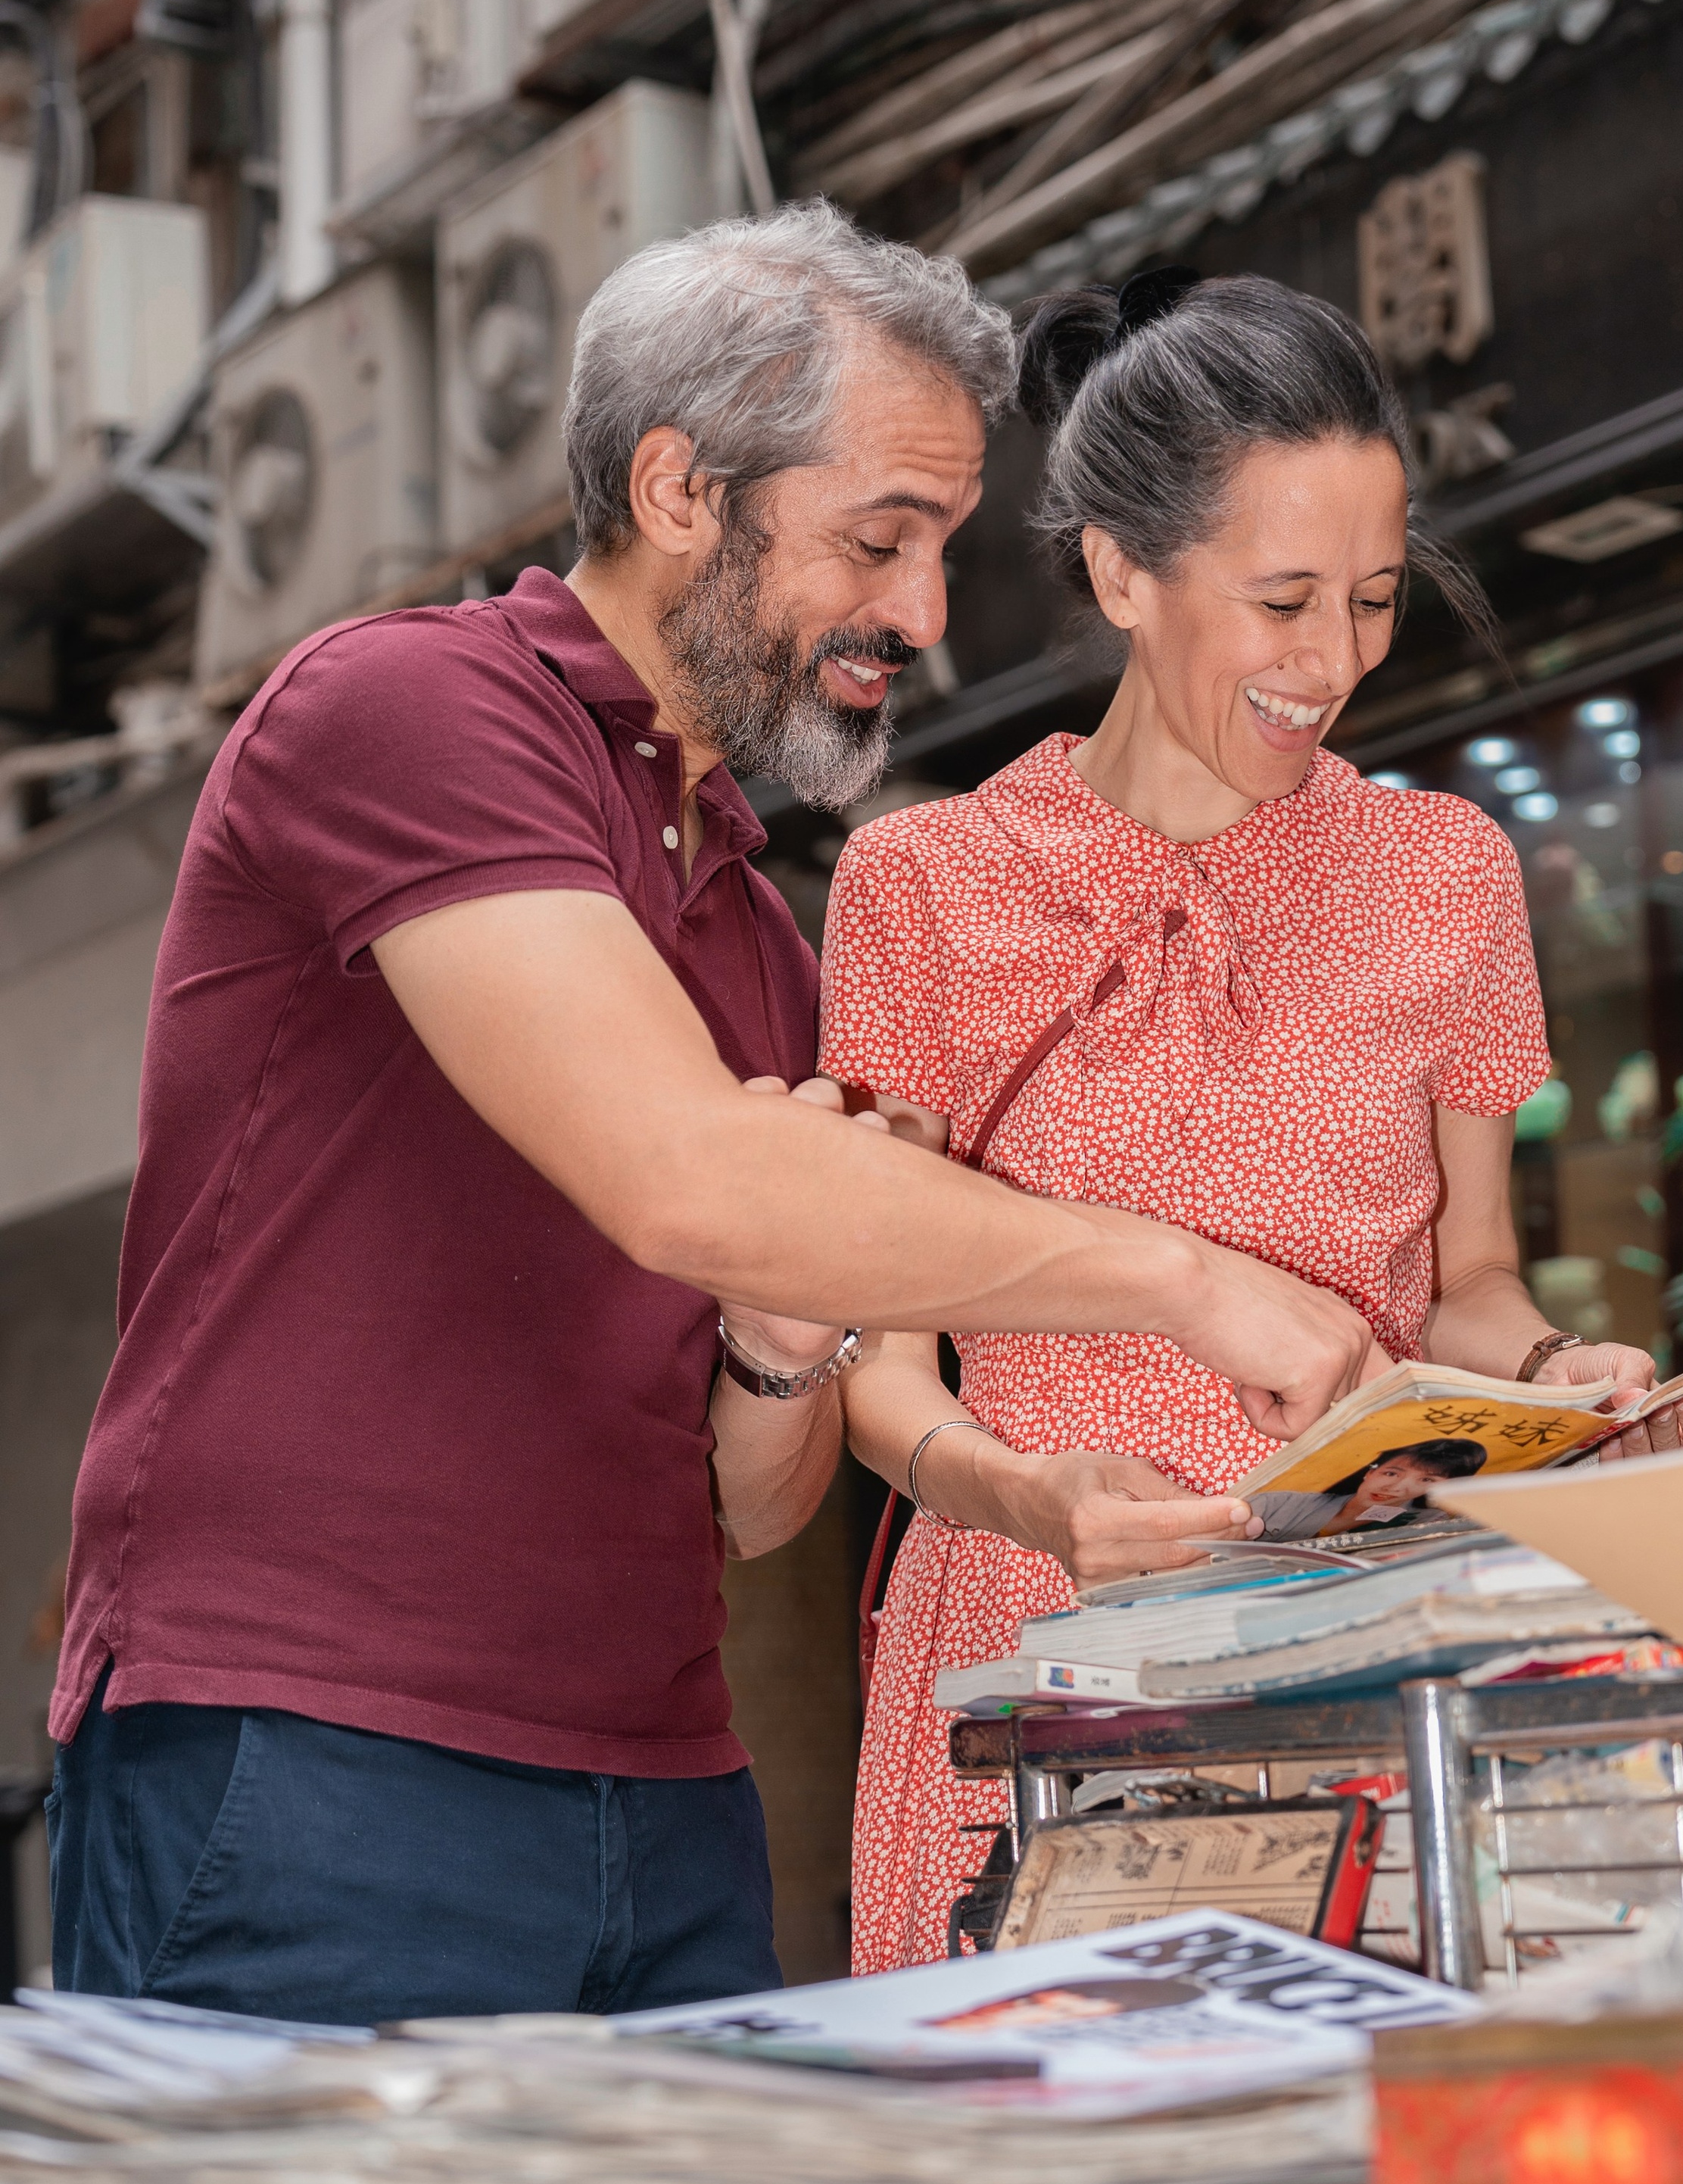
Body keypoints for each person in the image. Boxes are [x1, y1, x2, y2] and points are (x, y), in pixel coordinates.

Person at [47, 212, 1381, 2029]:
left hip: (667, 1784)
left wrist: (778, 1339)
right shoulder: (406, 707)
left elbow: (751, 1508)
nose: (919, 614)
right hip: (314, 1748)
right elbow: (682, 1175)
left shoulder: (754, 921)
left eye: (936, 549)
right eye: (874, 538)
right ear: (680, 487)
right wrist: (1191, 1282)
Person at [820, 268, 1683, 1975]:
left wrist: (1551, 1380)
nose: (1332, 662)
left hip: (1360, 1647)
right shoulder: (918, 884)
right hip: (1037, 1646)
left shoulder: (1443, 871)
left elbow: (1468, 1283)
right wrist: (1018, 1495)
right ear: (1118, 575)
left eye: (1372, 601)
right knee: (1065, 2183)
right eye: (1282, 599)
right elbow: (866, 1360)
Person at [1253, 1437, 1487, 1540]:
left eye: (1426, 1480)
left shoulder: (1427, 1526)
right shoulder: (1276, 1503)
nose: (1396, 1488)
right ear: (1370, 1472)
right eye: (1392, 1473)